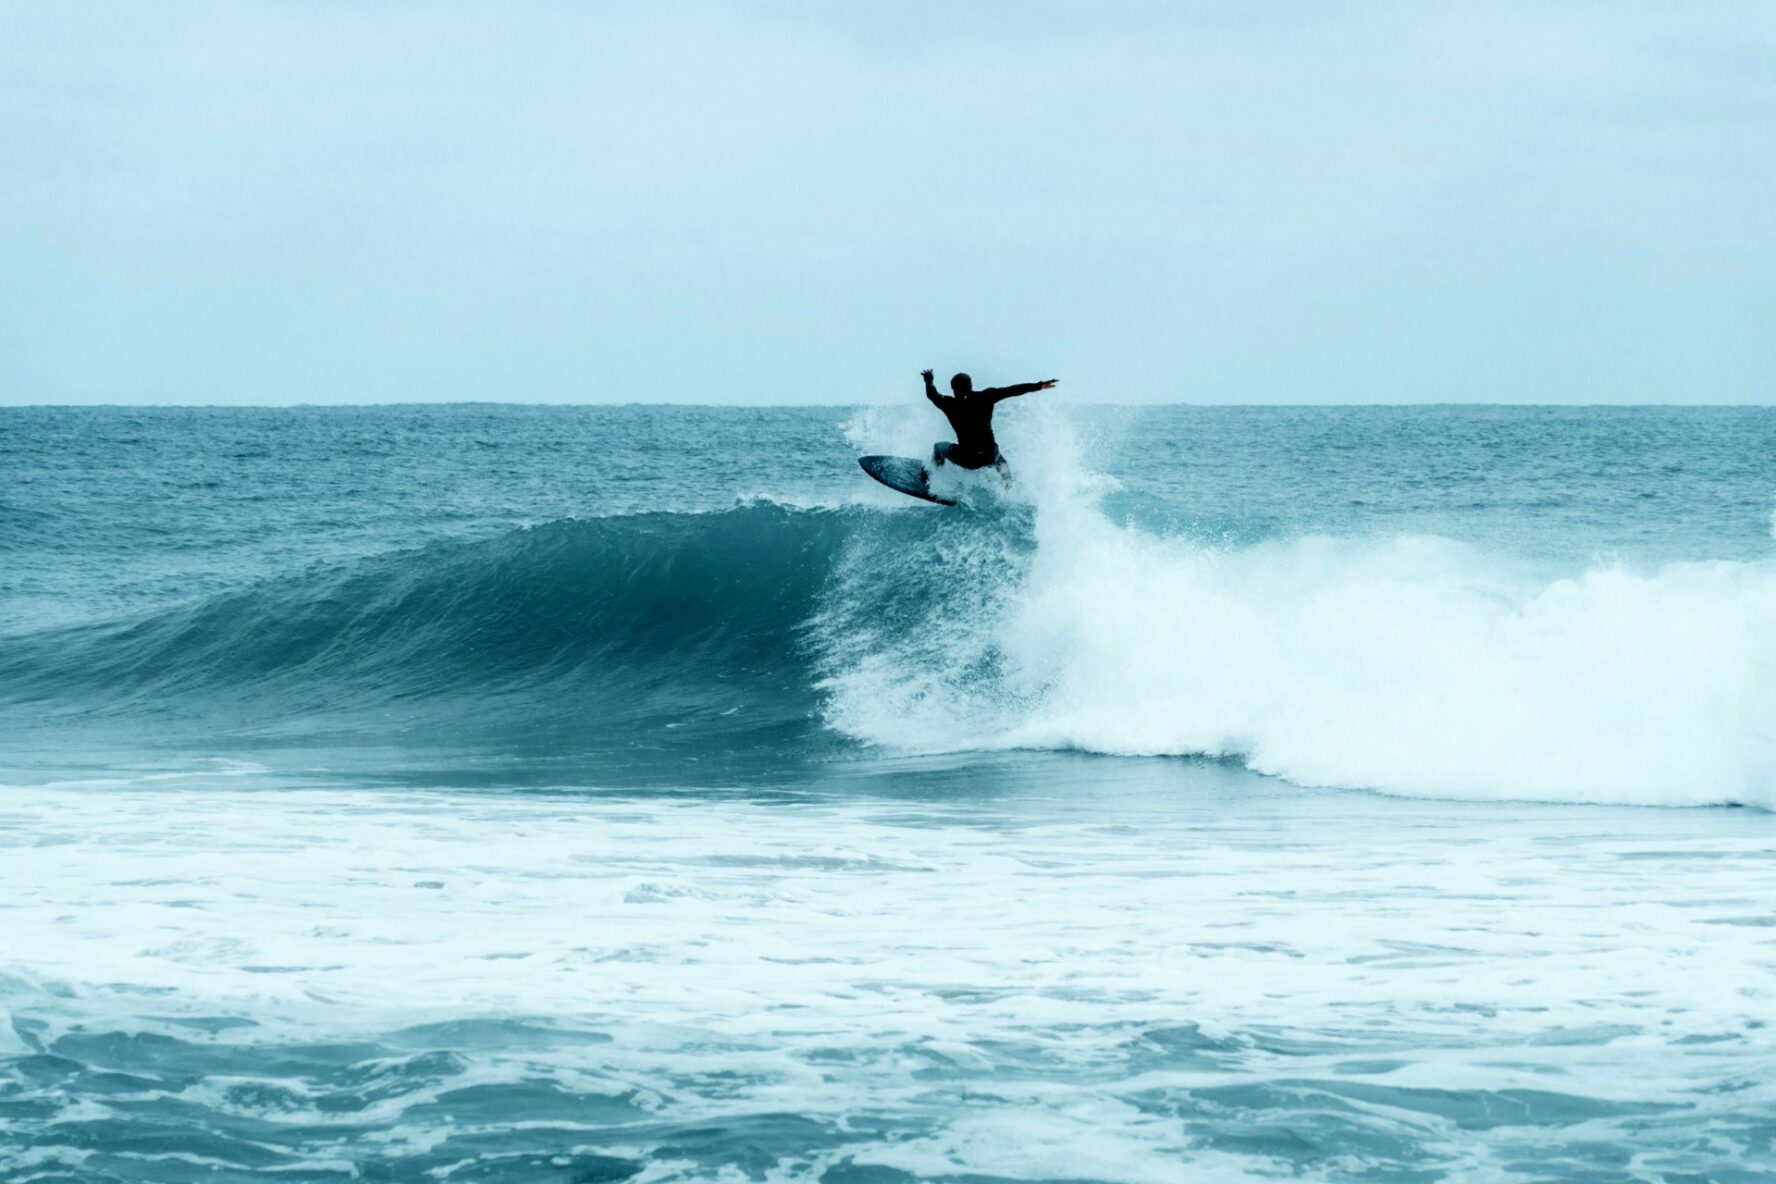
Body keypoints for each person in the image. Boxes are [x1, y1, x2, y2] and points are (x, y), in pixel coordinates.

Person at [922, 369, 1058, 470]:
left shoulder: (948, 403)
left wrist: (929, 380)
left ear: (953, 388)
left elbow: (931, 394)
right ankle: (1009, 487)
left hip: (967, 458)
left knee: (938, 447)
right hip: (989, 456)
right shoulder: (987, 397)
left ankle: (931, 478)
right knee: (999, 458)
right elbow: (1013, 390)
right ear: (970, 385)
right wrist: (1038, 385)